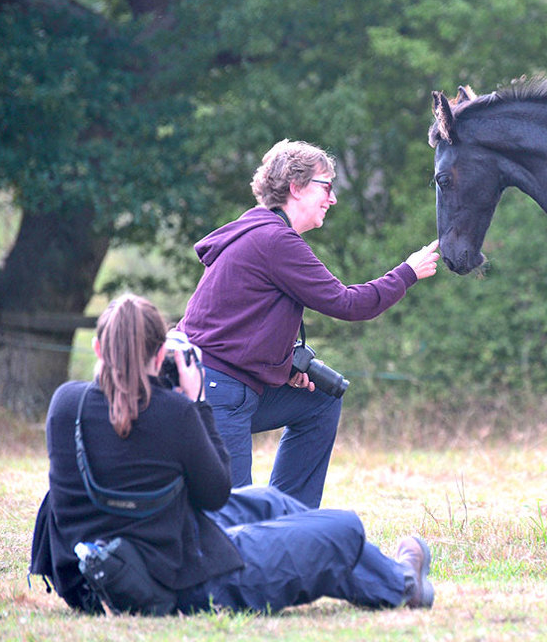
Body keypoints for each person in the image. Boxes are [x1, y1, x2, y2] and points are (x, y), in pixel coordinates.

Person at [30, 293, 434, 614]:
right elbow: (216, 494)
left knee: (271, 501)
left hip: (93, 577)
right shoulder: (176, 412)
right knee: (342, 529)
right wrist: (199, 402)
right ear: (159, 356)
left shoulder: (66, 403)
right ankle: (401, 584)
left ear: (99, 348)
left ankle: (385, 576)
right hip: (175, 581)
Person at [179, 139, 439, 508]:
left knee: (319, 400)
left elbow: (238, 325)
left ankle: (291, 519)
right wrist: (406, 273)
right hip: (217, 390)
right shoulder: (273, 240)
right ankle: (270, 536)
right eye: (327, 186)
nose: (332, 199)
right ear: (296, 188)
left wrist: (283, 368)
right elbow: (348, 304)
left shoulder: (259, 234)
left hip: (219, 383)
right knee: (233, 521)